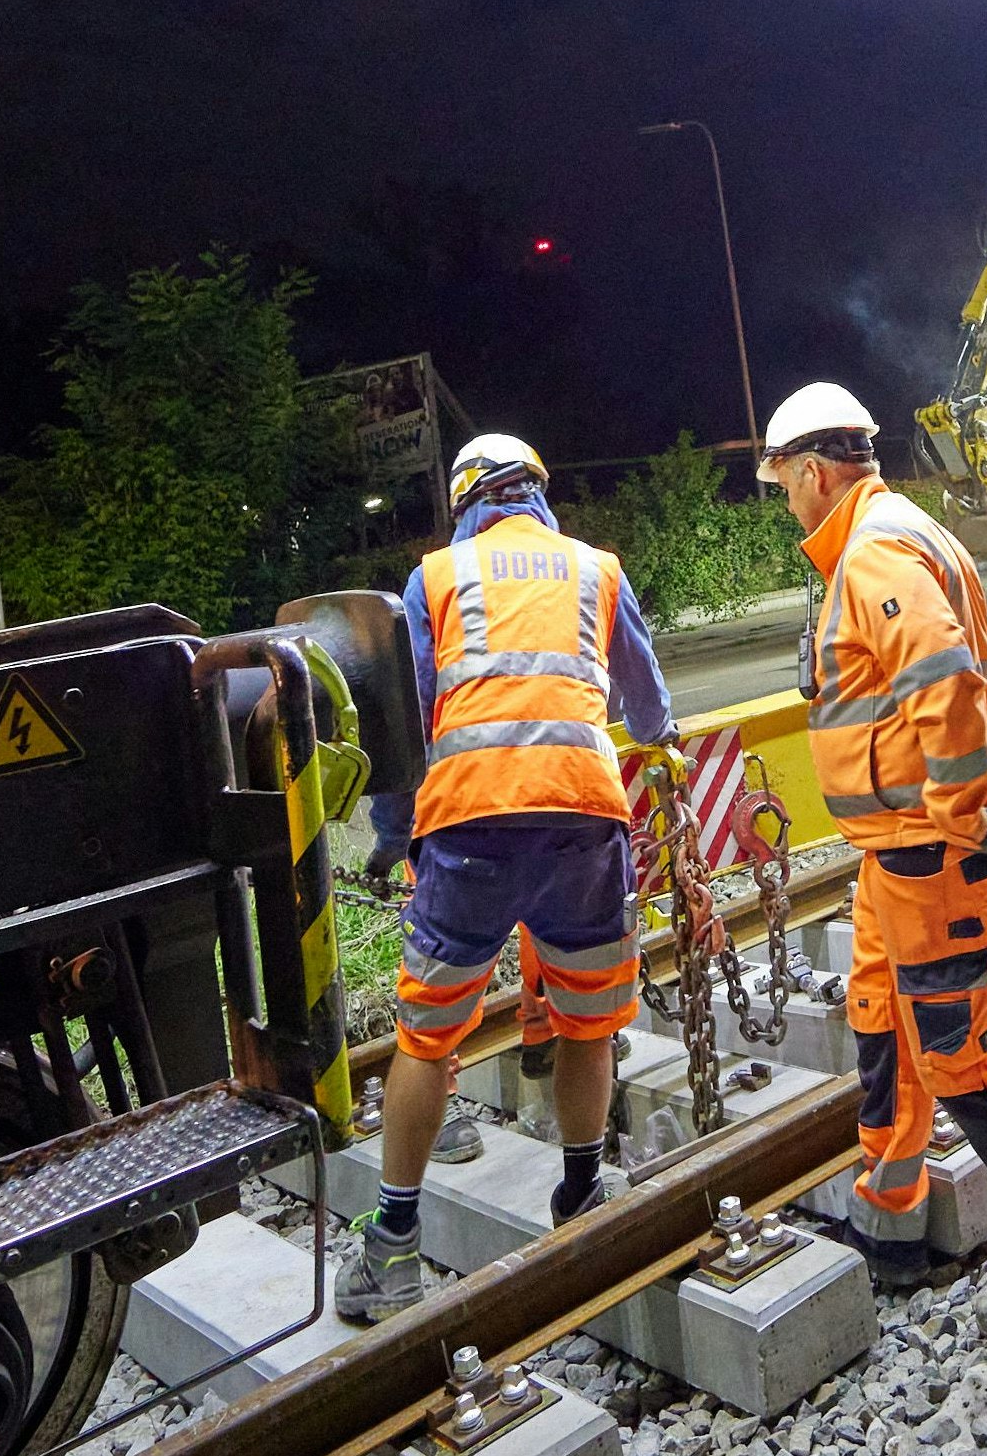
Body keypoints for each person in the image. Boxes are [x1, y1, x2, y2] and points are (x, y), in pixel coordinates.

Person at [758, 382, 987, 1338]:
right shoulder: (912, 534)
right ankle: (891, 1224)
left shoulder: (878, 549)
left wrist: (971, 812)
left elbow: (946, 677)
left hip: (934, 849)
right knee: (884, 1015)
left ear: (812, 470)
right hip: (898, 853)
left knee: (966, 1053)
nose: (786, 505)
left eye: (784, 486)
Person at [337, 433, 676, 1322]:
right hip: (582, 820)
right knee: (588, 1017)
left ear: (466, 501)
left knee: (428, 1034)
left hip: (470, 828)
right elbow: (649, 709)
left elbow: (402, 728)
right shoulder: (596, 567)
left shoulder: (436, 576)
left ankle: (393, 1248)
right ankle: (580, 1193)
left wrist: (394, 835)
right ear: (537, 491)